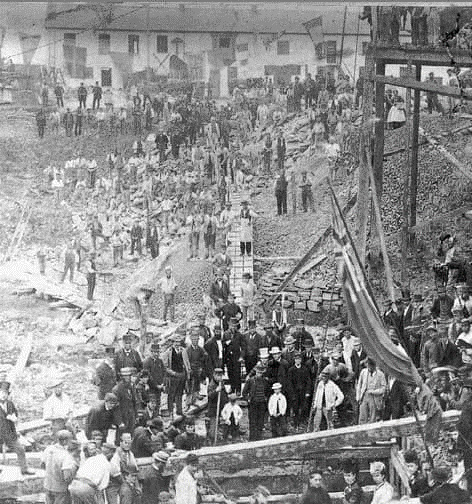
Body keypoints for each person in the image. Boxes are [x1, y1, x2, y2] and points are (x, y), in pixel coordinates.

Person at [42, 429, 76, 504]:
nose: (72, 442)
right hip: (60, 489)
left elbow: (42, 465)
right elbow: (66, 476)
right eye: (70, 440)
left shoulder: (48, 449)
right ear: (64, 442)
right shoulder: (66, 455)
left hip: (47, 485)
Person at [162, 331, 189, 417]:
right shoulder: (168, 352)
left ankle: (179, 410)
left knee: (180, 394)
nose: (177, 344)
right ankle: (170, 412)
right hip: (173, 377)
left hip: (181, 375)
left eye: (179, 342)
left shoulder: (183, 351)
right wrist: (173, 373)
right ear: (172, 342)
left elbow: (186, 363)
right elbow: (165, 367)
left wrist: (186, 373)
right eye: (175, 342)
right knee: (171, 395)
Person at [242, 362, 269, 441]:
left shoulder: (265, 381)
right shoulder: (250, 381)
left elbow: (267, 391)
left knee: (260, 421)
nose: (259, 374)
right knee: (253, 422)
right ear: (255, 372)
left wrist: (265, 398)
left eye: (260, 373)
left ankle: (259, 437)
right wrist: (248, 399)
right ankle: (252, 438)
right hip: (253, 403)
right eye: (257, 372)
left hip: (262, 404)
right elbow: (244, 393)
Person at [357, 358, 386, 424]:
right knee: (362, 416)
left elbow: (383, 388)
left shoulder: (380, 374)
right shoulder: (363, 372)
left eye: (371, 366)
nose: (369, 368)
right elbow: (359, 385)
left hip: (374, 398)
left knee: (373, 417)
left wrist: (373, 391)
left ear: (374, 366)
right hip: (364, 396)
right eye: (368, 366)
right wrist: (358, 397)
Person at [112, 367, 138, 434]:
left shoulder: (131, 386)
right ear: (121, 377)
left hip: (131, 416)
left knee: (130, 437)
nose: (128, 378)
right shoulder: (117, 389)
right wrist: (119, 422)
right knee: (121, 437)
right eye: (125, 376)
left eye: (129, 376)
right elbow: (115, 408)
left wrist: (136, 416)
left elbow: (134, 402)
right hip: (122, 417)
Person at [207, 367, 228, 442]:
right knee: (213, 426)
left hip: (221, 407)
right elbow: (210, 395)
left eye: (221, 376)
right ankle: (212, 440)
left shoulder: (221, 383)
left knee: (221, 423)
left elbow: (224, 393)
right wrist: (216, 391)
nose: (220, 377)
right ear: (214, 375)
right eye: (218, 376)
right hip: (214, 409)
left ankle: (221, 437)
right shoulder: (211, 385)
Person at [143, 342, 165, 411]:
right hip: (151, 388)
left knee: (158, 402)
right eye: (154, 352)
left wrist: (163, 384)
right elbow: (148, 376)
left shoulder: (160, 361)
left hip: (159, 387)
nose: (156, 354)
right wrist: (156, 385)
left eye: (157, 352)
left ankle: (157, 417)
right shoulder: (147, 362)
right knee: (152, 403)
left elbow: (164, 372)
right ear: (151, 352)